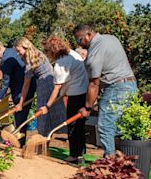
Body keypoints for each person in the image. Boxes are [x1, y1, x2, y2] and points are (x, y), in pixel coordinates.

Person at [73, 24, 137, 157]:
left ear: (89, 35)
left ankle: (111, 162)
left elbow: (94, 84)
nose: (79, 43)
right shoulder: (110, 38)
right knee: (120, 127)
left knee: (105, 125)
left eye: (80, 40)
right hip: (130, 85)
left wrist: (87, 108)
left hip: (116, 88)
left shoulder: (95, 53)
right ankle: (121, 162)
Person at [42, 36, 89, 164]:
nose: (46, 54)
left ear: (53, 50)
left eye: (47, 51)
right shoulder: (72, 53)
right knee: (79, 125)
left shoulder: (61, 64)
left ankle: (74, 155)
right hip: (84, 92)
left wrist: (47, 106)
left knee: (72, 125)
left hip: (76, 94)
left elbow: (57, 88)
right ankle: (80, 154)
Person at [14, 37, 66, 137]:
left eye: (18, 50)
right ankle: (46, 138)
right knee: (49, 111)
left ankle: (43, 138)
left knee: (43, 113)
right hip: (51, 80)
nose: (17, 53)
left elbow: (26, 85)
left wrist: (20, 104)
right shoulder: (38, 53)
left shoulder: (30, 61)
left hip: (44, 84)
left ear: (25, 47)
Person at [0, 40, 36, 146]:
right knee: (20, 116)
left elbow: (5, 82)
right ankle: (20, 141)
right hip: (28, 87)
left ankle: (19, 143)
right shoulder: (13, 51)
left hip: (20, 90)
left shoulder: (6, 59)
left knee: (20, 116)